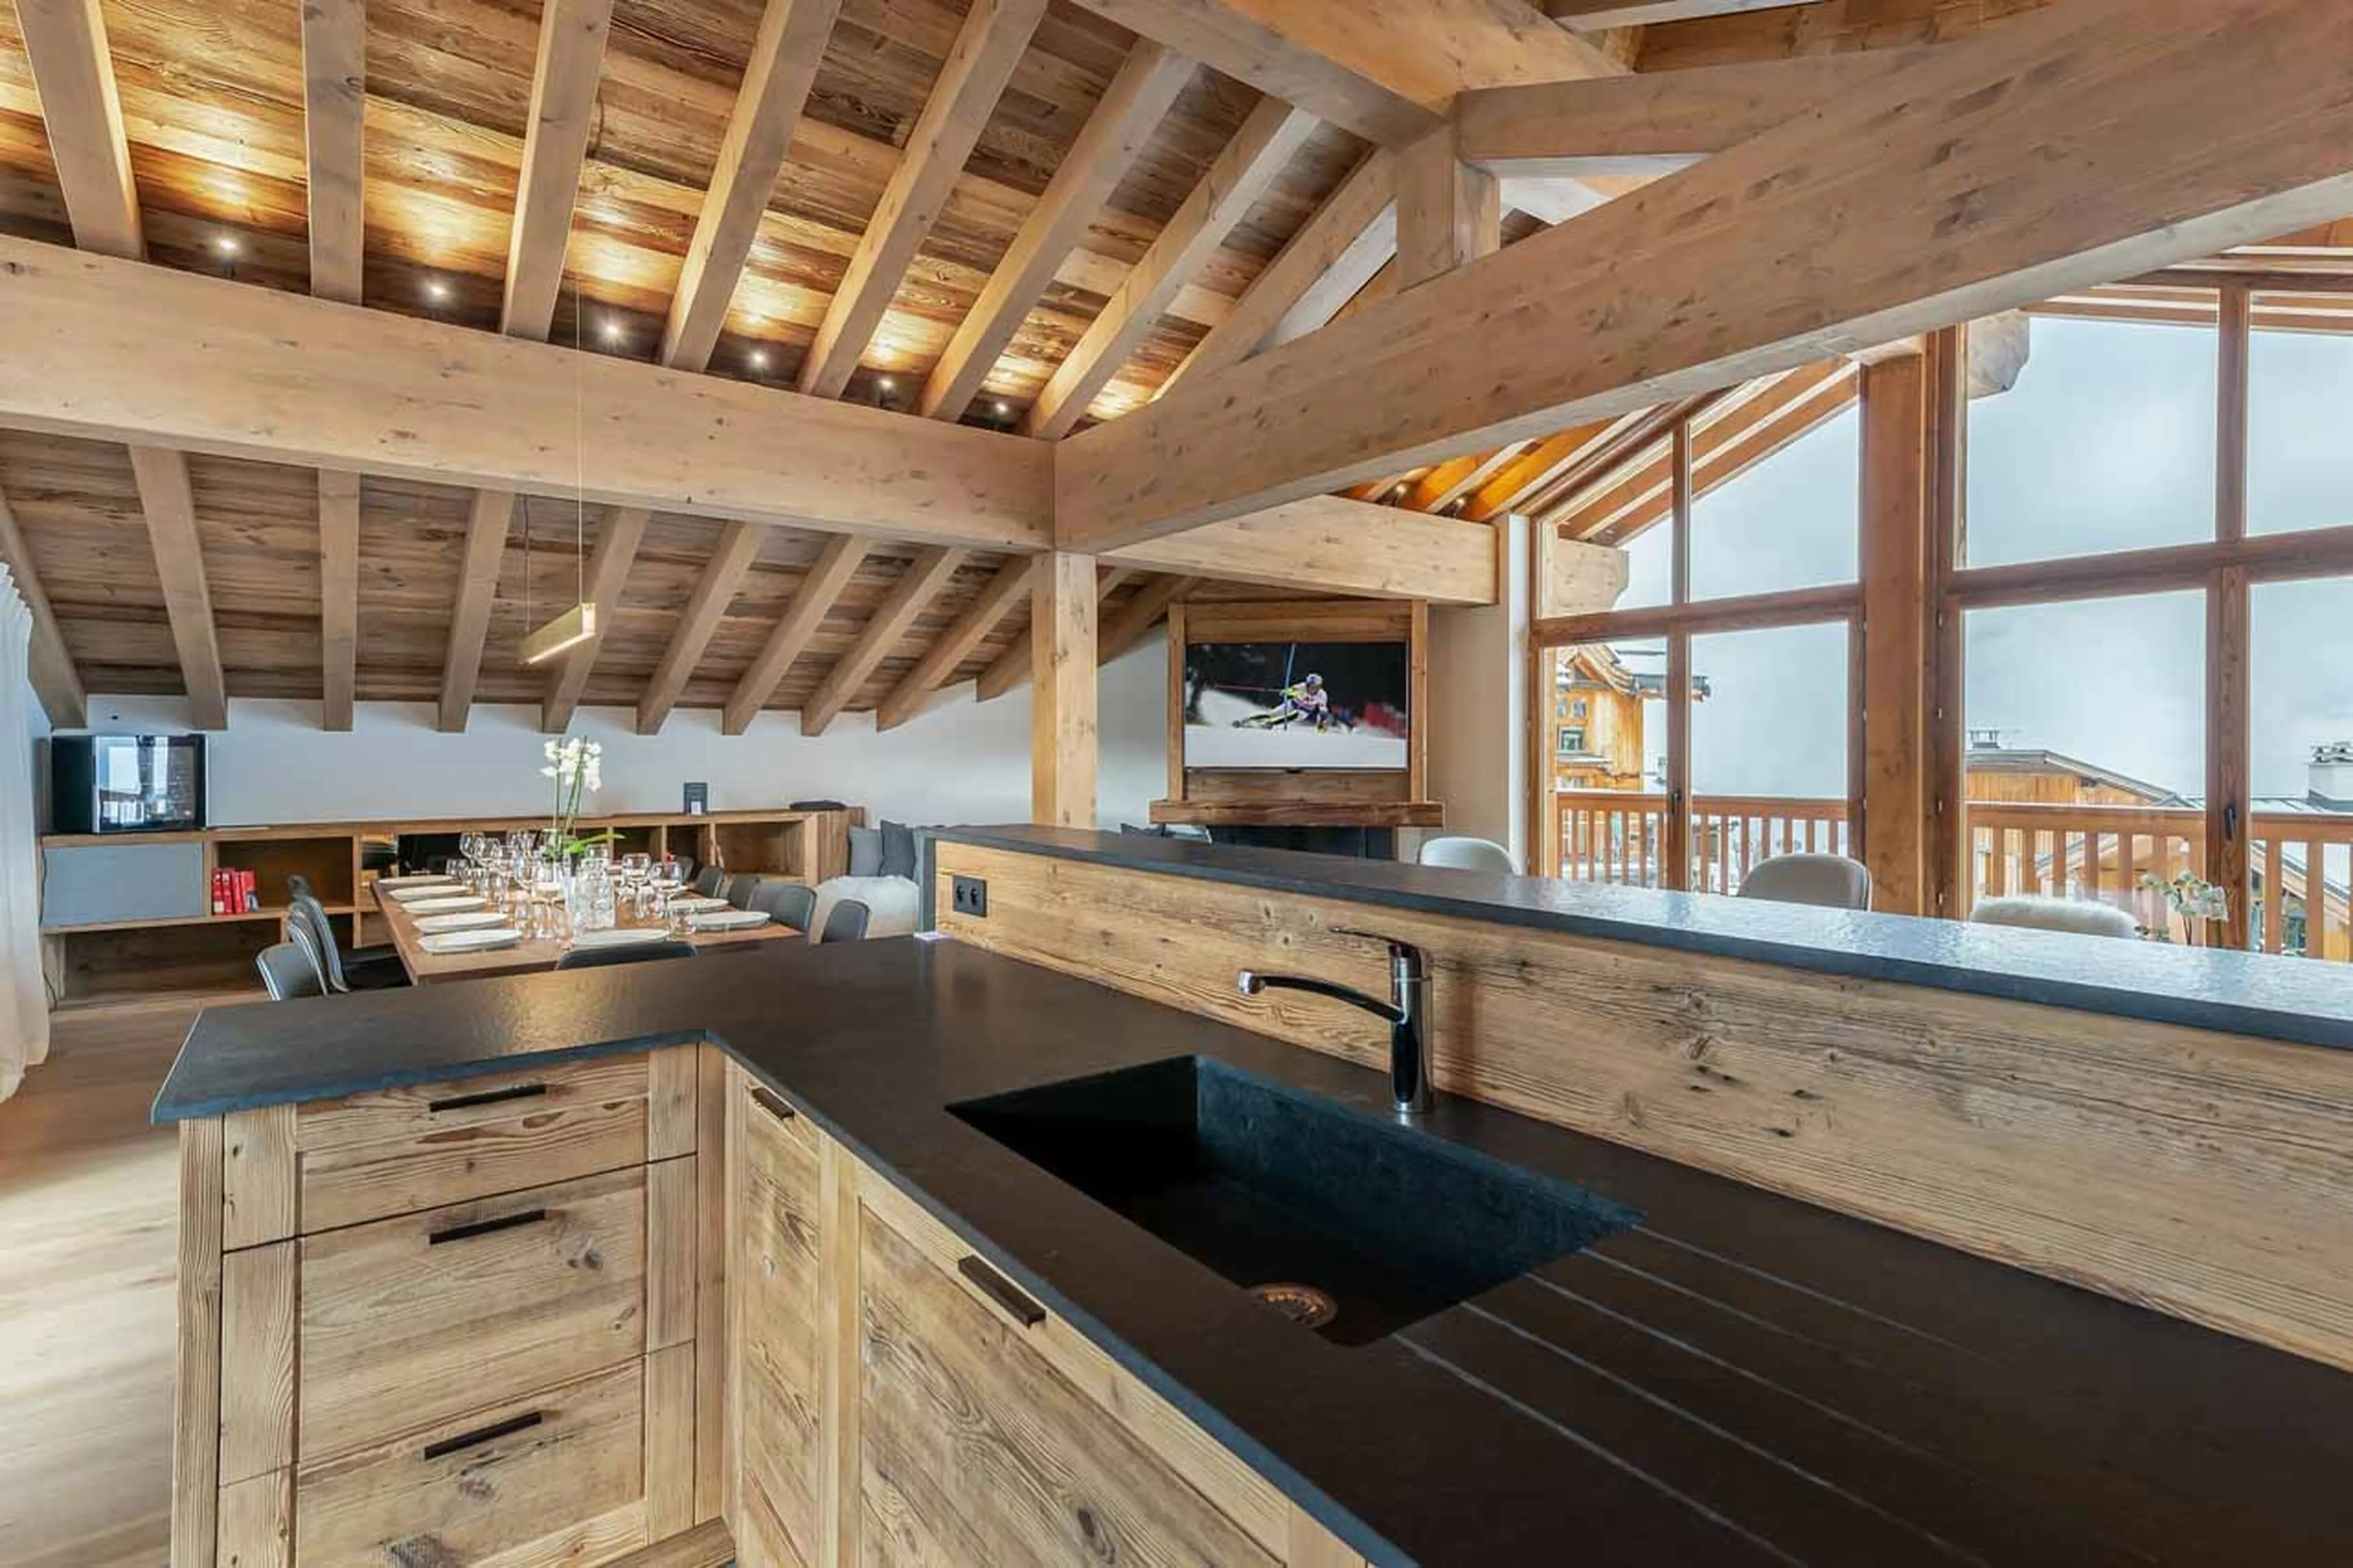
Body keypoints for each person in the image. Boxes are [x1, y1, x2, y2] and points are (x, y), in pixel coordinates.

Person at [1234, 672, 1332, 732]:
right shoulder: (1302, 686)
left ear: (1319, 687)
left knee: (1295, 714)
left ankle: (1271, 724)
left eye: (1314, 687)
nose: (1311, 689)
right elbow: (1291, 690)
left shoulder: (1322, 695)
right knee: (1272, 714)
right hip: (1293, 704)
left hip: (1305, 711)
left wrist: (1321, 724)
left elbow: (1323, 711)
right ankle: (1247, 720)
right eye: (1310, 686)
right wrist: (1286, 692)